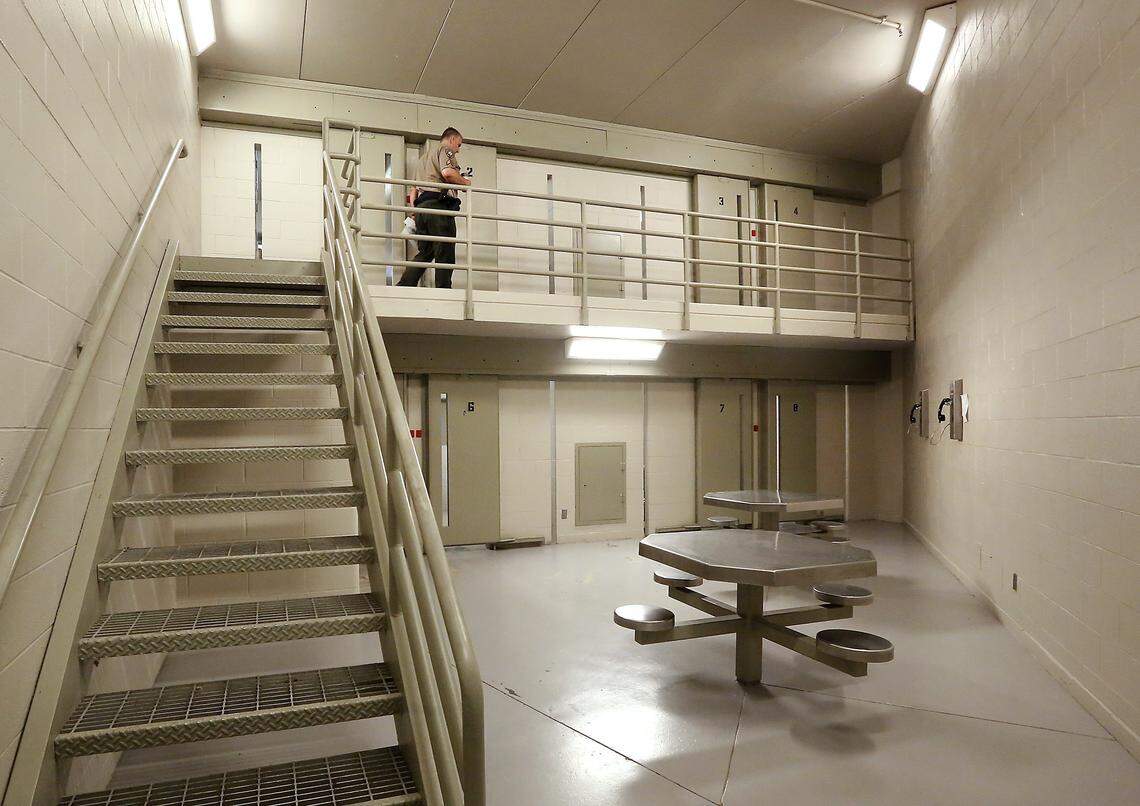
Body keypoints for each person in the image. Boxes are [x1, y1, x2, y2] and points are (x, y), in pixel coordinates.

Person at [398, 127, 471, 289]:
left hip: (422, 209)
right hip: (438, 206)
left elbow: (413, 190)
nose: (457, 150)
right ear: (452, 139)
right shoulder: (445, 150)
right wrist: (466, 183)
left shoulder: (423, 159)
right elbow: (448, 173)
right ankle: (444, 289)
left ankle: (405, 284)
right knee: (445, 250)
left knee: (426, 252)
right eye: (458, 145)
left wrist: (415, 212)